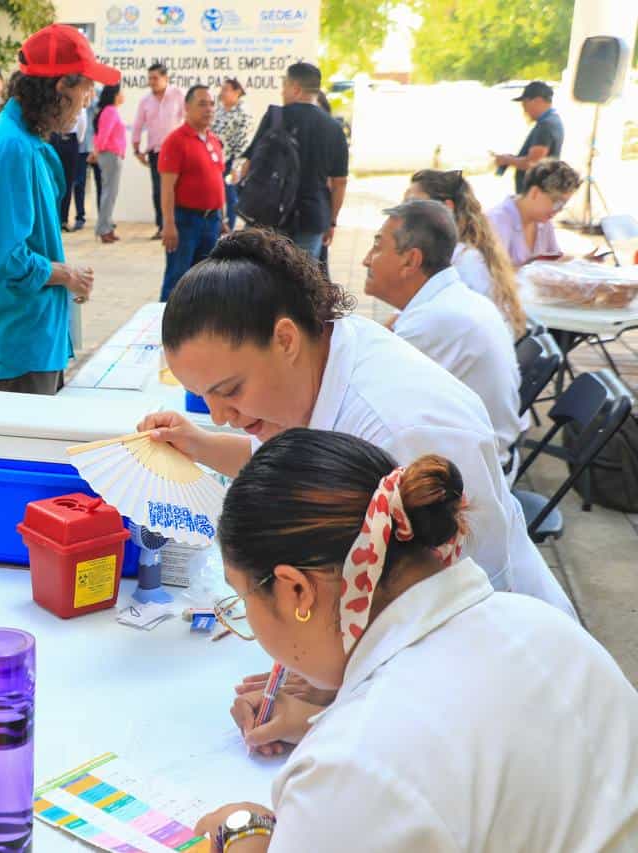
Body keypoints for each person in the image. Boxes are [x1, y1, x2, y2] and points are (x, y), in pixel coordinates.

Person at [191, 429, 638, 851]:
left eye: (242, 597)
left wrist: (244, 831)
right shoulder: (540, 623)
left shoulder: (353, 765)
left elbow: (385, 773)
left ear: (296, 591)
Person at [140, 229, 574, 617]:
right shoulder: (314, 361)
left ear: (285, 339)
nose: (220, 416)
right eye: (205, 396)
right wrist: (197, 443)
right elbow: (282, 465)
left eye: (230, 390)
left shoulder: (404, 432)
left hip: (491, 640)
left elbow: (457, 598)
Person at [0, 24, 115, 394]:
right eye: (86, 87)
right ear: (61, 87)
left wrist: (65, 274)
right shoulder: (12, 147)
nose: (88, 99)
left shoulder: (21, 139)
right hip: (20, 343)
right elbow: (3, 258)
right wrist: (65, 274)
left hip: (32, 335)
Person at [363, 200, 522, 473]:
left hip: (471, 480)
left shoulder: (434, 320)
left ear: (410, 260)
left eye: (377, 246)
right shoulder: (448, 302)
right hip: (475, 460)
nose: (366, 259)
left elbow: (365, 401)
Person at [240, 62, 348, 260]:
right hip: (311, 218)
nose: (282, 92)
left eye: (285, 86)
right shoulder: (334, 128)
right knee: (302, 275)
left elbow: (248, 166)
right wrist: (331, 221)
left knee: (262, 272)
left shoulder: (275, 118)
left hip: (268, 214)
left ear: (296, 89)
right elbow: (339, 183)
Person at [405, 169, 526, 332]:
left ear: (446, 208)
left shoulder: (464, 261)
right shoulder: (453, 253)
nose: (405, 213)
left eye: (414, 203)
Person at [159, 85, 227, 301]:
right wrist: (169, 224)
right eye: (202, 104)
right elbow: (167, 187)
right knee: (178, 280)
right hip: (186, 222)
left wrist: (222, 218)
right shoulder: (175, 141)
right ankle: (167, 320)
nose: (209, 109)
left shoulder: (214, 141)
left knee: (207, 282)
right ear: (187, 107)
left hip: (212, 221)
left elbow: (218, 181)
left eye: (211, 104)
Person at [487, 159, 583, 268]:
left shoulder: (543, 221)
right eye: (557, 203)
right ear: (535, 192)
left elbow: (556, 260)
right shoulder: (497, 221)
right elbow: (496, 273)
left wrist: (583, 260)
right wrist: (532, 267)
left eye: (563, 206)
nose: (559, 210)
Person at [131, 63, 185, 238]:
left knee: (179, 189)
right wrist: (136, 149)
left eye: (155, 78)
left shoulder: (178, 95)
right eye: (150, 78)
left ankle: (179, 225)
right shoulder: (145, 101)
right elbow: (138, 125)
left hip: (178, 151)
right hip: (156, 153)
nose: (152, 82)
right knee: (158, 191)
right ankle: (162, 227)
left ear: (165, 78)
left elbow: (188, 119)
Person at [494, 81, 563, 195]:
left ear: (538, 101)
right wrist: (512, 158)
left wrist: (507, 160)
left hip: (536, 193)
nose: (524, 110)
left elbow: (532, 162)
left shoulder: (546, 125)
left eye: (525, 104)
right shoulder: (553, 121)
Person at [212, 77, 251, 230]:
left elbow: (242, 144)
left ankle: (230, 229)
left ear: (237, 92)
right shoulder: (219, 110)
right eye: (222, 89)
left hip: (231, 161)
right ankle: (218, 225)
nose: (222, 93)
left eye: (226, 90)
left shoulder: (243, 114)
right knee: (215, 195)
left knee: (230, 195)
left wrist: (236, 168)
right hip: (215, 159)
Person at [88, 84, 125, 244]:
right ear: (115, 95)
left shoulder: (109, 110)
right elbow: (103, 134)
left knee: (110, 193)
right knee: (109, 193)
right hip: (110, 155)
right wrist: (96, 152)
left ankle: (107, 227)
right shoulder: (110, 111)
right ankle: (103, 229)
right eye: (121, 93)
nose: (123, 95)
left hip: (111, 154)